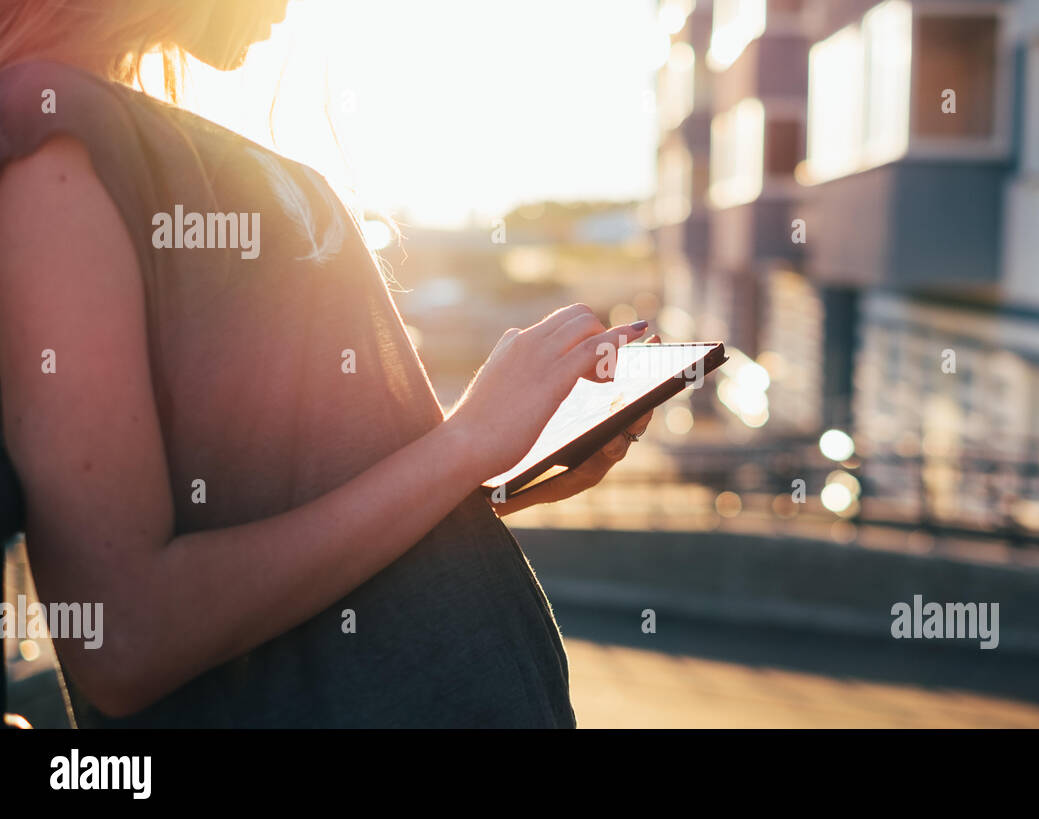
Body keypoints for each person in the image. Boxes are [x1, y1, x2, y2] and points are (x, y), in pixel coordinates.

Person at [0, 0, 651, 727]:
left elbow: (279, 493)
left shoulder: (103, 132)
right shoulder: (51, 137)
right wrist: (463, 444)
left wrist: (489, 479)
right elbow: (125, 635)